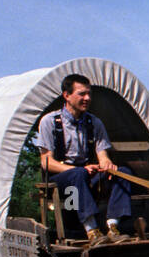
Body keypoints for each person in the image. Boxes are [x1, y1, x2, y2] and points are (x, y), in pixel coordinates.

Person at [35, 73, 134, 245]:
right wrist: (76, 170)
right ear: (66, 95)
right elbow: (46, 162)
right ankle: (92, 230)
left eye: (89, 94)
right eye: (81, 94)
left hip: (85, 174)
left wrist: (107, 166)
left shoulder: (94, 123)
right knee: (78, 174)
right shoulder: (50, 122)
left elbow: (103, 155)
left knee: (123, 173)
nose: (87, 98)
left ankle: (113, 226)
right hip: (61, 179)